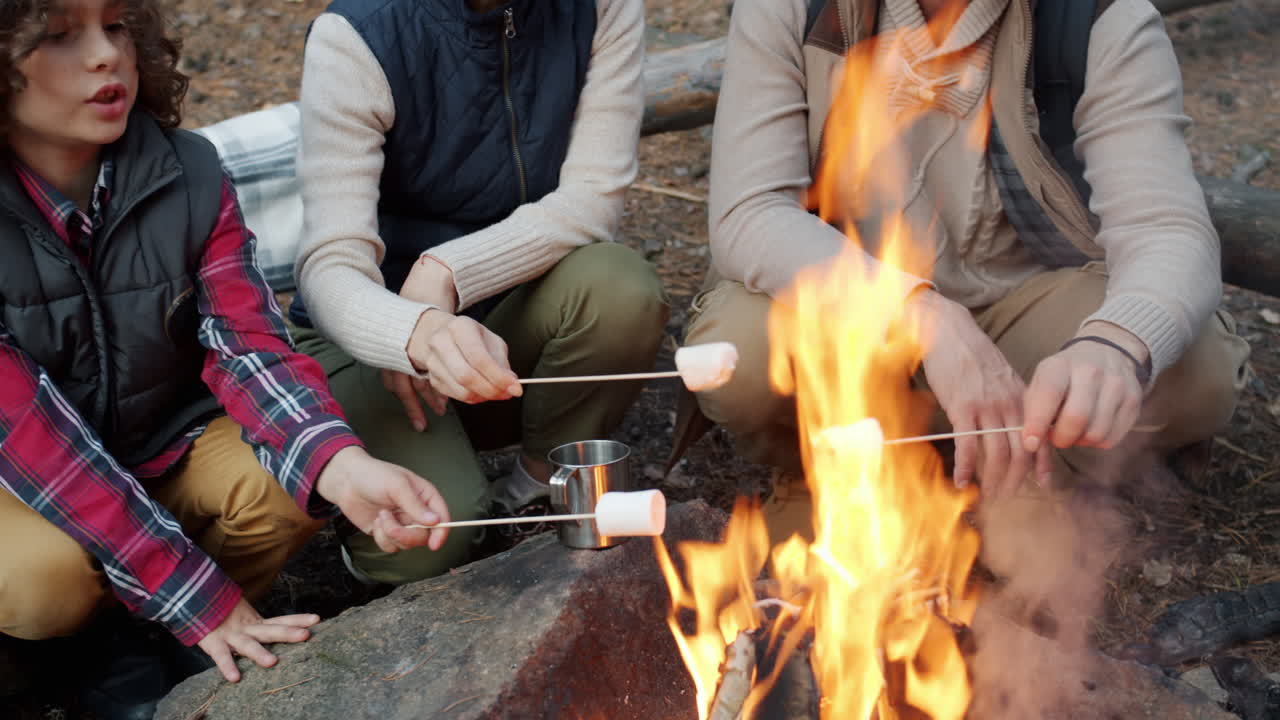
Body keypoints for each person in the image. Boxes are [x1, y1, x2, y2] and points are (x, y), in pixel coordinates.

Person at [0, 0, 453, 711]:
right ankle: (85, 655)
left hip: (157, 442)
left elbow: (248, 345)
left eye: (116, 27)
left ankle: (166, 637)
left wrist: (340, 464)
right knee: (41, 582)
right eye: (58, 37)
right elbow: (35, 440)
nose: (104, 56)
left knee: (288, 484)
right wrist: (195, 593)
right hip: (19, 480)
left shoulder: (187, 172)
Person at [681, 0, 1251, 541]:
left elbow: (1166, 228)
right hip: (849, 311)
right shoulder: (793, 8)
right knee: (744, 353)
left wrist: (1115, 345)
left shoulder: (1099, 17)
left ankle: (1027, 484)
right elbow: (751, 212)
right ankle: (825, 479)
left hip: (1024, 316)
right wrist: (918, 313)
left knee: (1193, 372)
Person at [291, 0, 668, 584]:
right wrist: (412, 331)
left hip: (510, 314)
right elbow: (329, 266)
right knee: (436, 540)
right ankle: (391, 506)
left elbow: (593, 197)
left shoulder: (603, 8)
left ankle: (538, 487)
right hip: (368, 340)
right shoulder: (358, 35)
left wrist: (445, 272)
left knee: (619, 289)